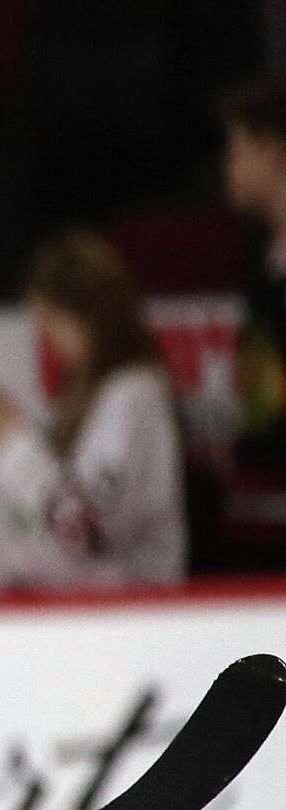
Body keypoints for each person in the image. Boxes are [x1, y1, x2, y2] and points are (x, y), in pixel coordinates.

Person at [0, 232, 185, 590]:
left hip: (132, 622)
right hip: (84, 620)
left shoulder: (134, 397)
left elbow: (87, 529)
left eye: (54, 325)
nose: (51, 344)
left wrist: (14, 442)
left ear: (91, 315)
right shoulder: (88, 398)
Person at [214, 76, 286, 573]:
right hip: (262, 514)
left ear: (274, 149)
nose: (229, 167)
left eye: (237, 148)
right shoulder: (264, 263)